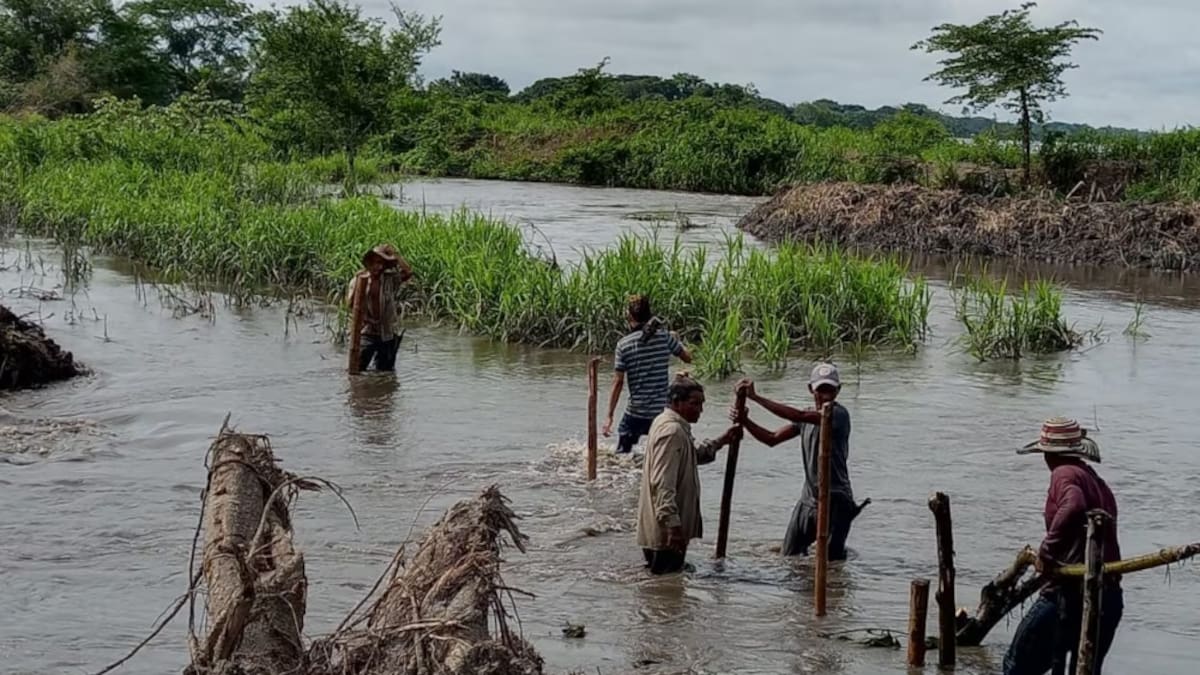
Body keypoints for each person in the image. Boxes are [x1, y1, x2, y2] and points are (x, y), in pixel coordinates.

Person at [1003, 417, 1123, 675]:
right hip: (1109, 597)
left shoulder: (1064, 473)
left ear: (1048, 453)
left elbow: (1073, 506)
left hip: (1069, 595)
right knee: (1083, 669)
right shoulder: (1094, 479)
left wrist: (1046, 552)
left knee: (1016, 666)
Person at [731, 362, 859, 560]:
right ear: (811, 389)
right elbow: (772, 439)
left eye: (830, 391)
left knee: (831, 565)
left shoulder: (839, 414)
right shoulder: (805, 419)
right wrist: (745, 421)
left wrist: (756, 398)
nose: (825, 396)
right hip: (809, 499)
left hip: (836, 500)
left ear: (838, 391)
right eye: (820, 390)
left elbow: (799, 415)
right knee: (788, 556)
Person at [637, 372, 741, 575]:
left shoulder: (667, 423)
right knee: (667, 590)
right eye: (695, 404)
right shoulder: (672, 431)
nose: (700, 410)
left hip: (660, 527)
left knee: (660, 586)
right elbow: (662, 483)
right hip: (666, 531)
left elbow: (691, 456)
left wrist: (721, 441)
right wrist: (674, 527)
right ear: (677, 402)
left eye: (701, 404)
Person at [603, 294, 692, 454]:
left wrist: (609, 416)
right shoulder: (664, 337)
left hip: (635, 413)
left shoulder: (623, 345)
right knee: (660, 454)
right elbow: (687, 358)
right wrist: (676, 340)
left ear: (629, 316)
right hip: (660, 413)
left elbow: (618, 383)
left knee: (622, 455)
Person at [346, 244, 413, 372]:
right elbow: (350, 304)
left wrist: (396, 255)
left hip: (387, 333)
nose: (378, 267)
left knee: (386, 372)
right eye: (375, 263)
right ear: (369, 263)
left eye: (381, 263)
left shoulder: (389, 279)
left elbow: (408, 272)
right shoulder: (359, 280)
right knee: (356, 370)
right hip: (366, 331)